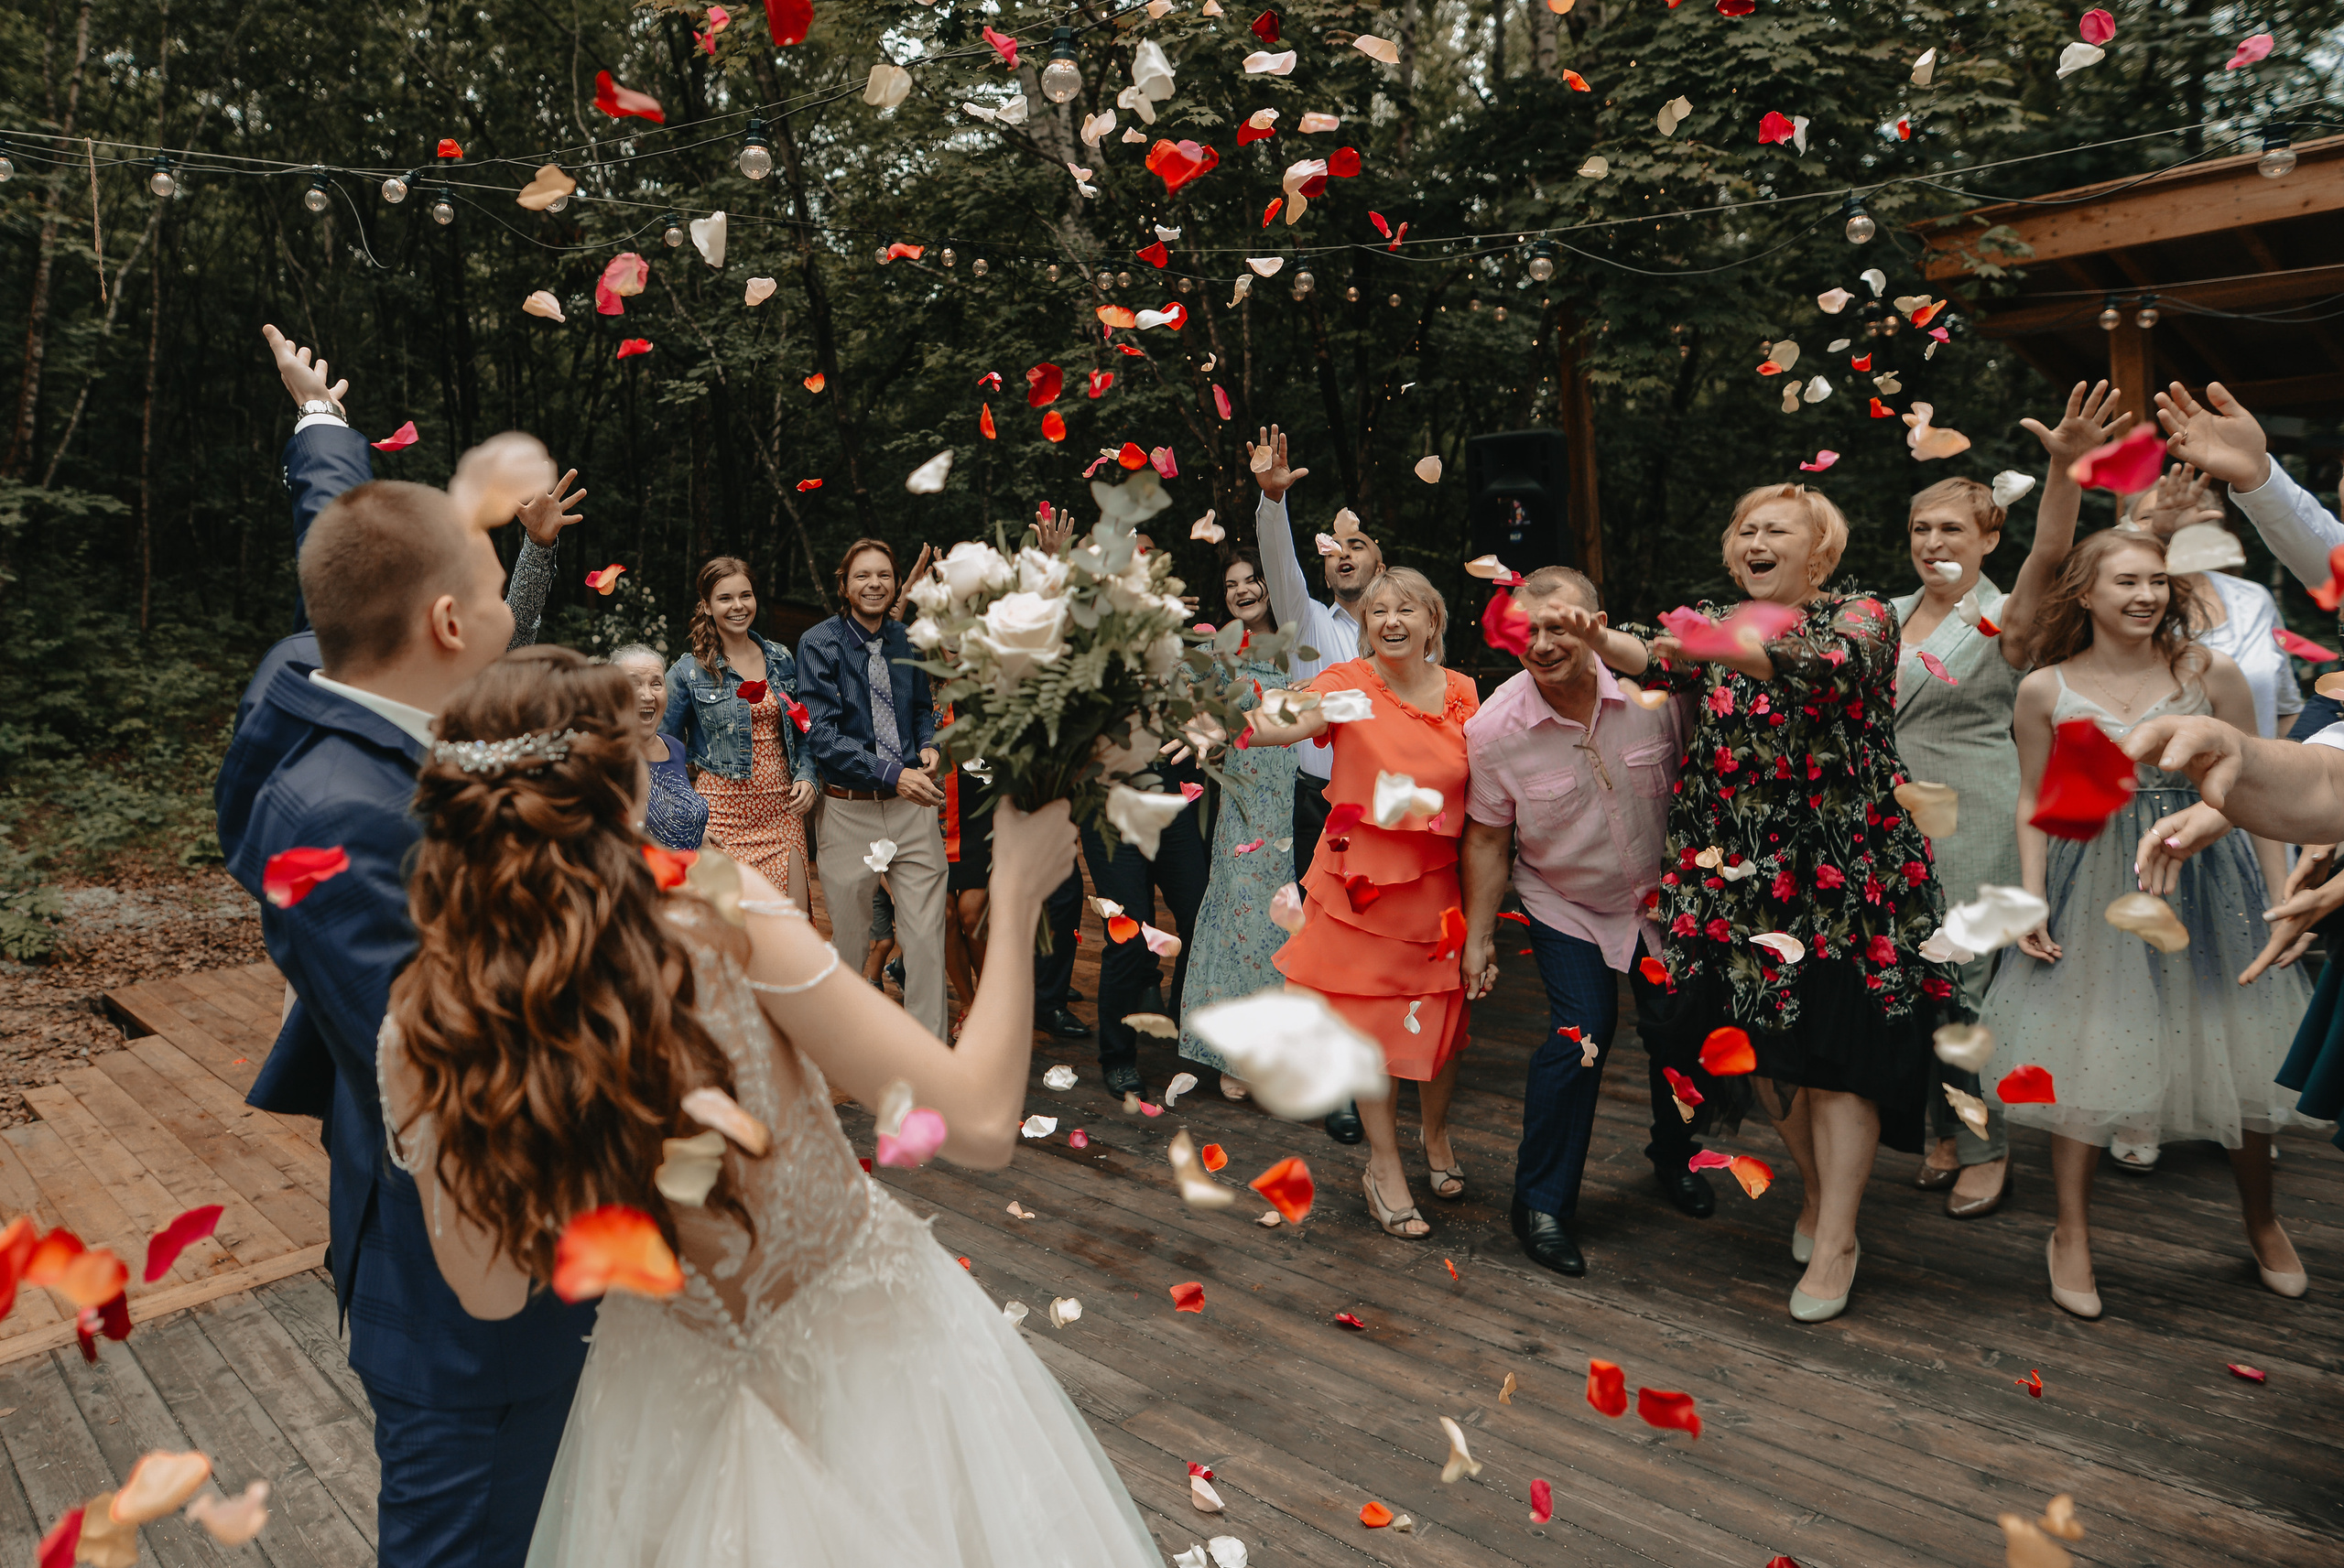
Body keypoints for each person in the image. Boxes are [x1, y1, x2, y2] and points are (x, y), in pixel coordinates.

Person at [374, 649, 1160, 1568]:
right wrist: (1021, 892)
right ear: (626, 777)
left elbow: (491, 1290)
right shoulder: (714, 912)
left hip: (659, 1406)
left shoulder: (424, 1027)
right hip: (872, 1377)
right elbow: (980, 1124)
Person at [216, 335, 595, 1565]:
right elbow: (466, 1083)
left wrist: (323, 425)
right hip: (468, 1300)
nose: (512, 614)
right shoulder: (338, 821)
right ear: (447, 621)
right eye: (497, 591)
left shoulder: (330, 670)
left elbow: (343, 554)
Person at [1562, 483, 1953, 1323]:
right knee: (1770, 1049)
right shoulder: (1709, 617)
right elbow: (1656, 660)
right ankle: (1819, 1194)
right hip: (1742, 876)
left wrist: (1718, 645)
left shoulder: (1863, 615)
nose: (1756, 538)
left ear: (1820, 551)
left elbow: (1823, 667)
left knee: (1843, 1054)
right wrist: (1604, 641)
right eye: (1746, 527)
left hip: (1848, 877)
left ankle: (1841, 1233)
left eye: (1777, 528)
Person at [1977, 529, 2310, 1316]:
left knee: (2237, 1041)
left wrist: (2276, 901)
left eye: (2158, 581)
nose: (2146, 596)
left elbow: (2258, 790)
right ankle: (2072, 1231)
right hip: (2091, 874)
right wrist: (2030, 894)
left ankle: (2262, 1220)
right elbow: (2034, 799)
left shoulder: (2206, 672)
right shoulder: (2044, 688)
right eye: (2127, 581)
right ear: (2084, 594)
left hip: (2206, 874)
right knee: (2086, 1045)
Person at [1892, 381, 2131, 1210]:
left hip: (1976, 820)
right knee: (1911, 984)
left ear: (1989, 536)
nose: (1932, 540)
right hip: (1889, 828)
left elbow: (2050, 557)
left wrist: (2061, 471)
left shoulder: (2005, 619)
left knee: (1967, 986)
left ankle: (1986, 1143)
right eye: (1921, 528)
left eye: (1951, 527)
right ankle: (1939, 1126)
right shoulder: (1879, 619)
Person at [1459, 566, 1712, 1279]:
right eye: (1528, 630)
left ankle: (1675, 1156)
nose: (1542, 643)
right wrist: (1479, 936)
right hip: (1566, 901)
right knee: (1581, 1037)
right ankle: (1540, 1203)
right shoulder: (1495, 729)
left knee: (1679, 1033)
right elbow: (1486, 836)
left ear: (1595, 624)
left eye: (1558, 625)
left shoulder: (1651, 692)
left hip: (1665, 898)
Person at [1245, 568, 1478, 1238]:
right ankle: (1385, 1166)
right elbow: (1292, 717)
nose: (1391, 620)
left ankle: (1436, 1136)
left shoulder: (1463, 694)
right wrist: (1230, 725)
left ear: (1433, 621)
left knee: (1442, 1029)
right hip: (1364, 892)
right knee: (1377, 1034)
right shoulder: (1353, 688)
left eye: (1407, 608)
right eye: (1378, 610)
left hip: (1439, 887)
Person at [1252, 425, 1380, 1145]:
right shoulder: (1308, 625)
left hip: (1395, 816)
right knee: (1329, 944)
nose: (1344, 554)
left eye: (1359, 545)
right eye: (1338, 549)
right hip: (1322, 804)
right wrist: (1273, 504)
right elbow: (1281, 565)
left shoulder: (1410, 637)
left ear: (1381, 565)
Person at [798, 540, 953, 1037]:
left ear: (895, 584)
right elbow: (820, 735)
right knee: (851, 942)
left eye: (884, 575)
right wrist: (893, 773)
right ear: (844, 585)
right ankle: (856, 1045)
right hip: (847, 811)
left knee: (926, 938)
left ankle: (926, 1051)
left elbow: (918, 709)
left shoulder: (906, 639)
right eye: (862, 576)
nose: (875, 585)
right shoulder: (818, 644)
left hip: (912, 809)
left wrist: (927, 744)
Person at [1177, 545, 1299, 1098]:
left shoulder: (1303, 640)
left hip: (1311, 797)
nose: (1244, 590)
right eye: (1232, 585)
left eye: (1253, 579)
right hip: (1250, 803)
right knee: (1250, 921)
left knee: (1303, 920)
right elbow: (1176, 698)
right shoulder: (1217, 648)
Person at [663, 557, 814, 910]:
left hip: (782, 814)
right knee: (732, 937)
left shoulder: (781, 658)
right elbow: (661, 751)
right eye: (725, 598)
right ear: (706, 605)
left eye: (745, 595)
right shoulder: (688, 671)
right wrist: (687, 820)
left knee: (789, 929)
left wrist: (808, 775)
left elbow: (803, 728)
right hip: (720, 820)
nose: (738, 606)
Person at [613, 643, 709, 853]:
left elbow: (672, 812)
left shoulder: (674, 747)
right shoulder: (606, 756)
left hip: (687, 877)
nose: (647, 695)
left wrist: (695, 830)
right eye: (633, 684)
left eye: (656, 684)